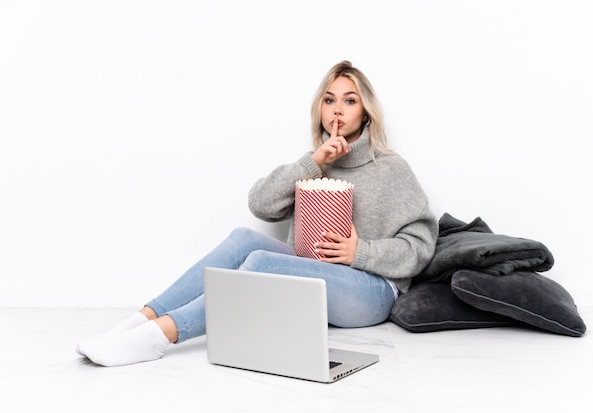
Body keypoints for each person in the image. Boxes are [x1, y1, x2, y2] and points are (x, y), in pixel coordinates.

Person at [75, 60, 439, 367]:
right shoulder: (315, 164)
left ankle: (161, 336)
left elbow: (422, 245)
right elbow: (260, 205)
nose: (337, 110)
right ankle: (139, 321)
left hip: (371, 290)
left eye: (349, 100)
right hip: (319, 274)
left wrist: (361, 253)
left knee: (262, 263)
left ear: (366, 112)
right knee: (243, 240)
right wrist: (313, 162)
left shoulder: (391, 168)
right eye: (329, 100)